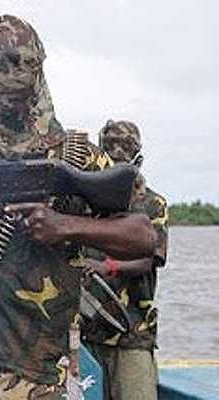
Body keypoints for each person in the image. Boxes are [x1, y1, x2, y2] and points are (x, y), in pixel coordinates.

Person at [0, 15, 157, 399]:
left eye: (21, 63)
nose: (11, 77)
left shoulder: (79, 156)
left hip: (45, 374)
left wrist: (66, 225)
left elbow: (144, 237)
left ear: (39, 67)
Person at [82, 120, 168, 400]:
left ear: (137, 153)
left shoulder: (152, 203)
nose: (118, 151)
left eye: (126, 146)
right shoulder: (84, 202)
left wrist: (109, 267)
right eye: (110, 145)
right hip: (87, 332)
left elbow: (150, 259)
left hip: (133, 331)